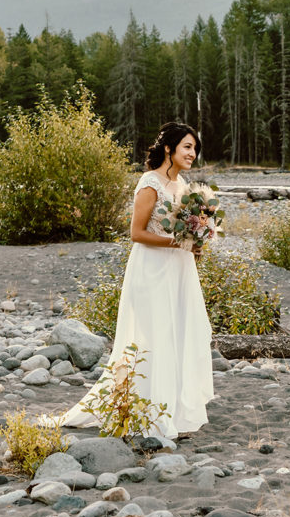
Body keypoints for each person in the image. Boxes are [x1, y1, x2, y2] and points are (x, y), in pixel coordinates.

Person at [60, 122, 214, 439]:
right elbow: (137, 233)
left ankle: (170, 411)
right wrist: (178, 242)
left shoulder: (183, 186)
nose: (193, 153)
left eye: (195, 148)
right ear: (169, 148)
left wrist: (196, 240)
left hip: (179, 270)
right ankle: (145, 415)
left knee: (177, 335)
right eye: (187, 146)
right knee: (153, 337)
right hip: (152, 269)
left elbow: (184, 230)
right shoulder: (150, 183)